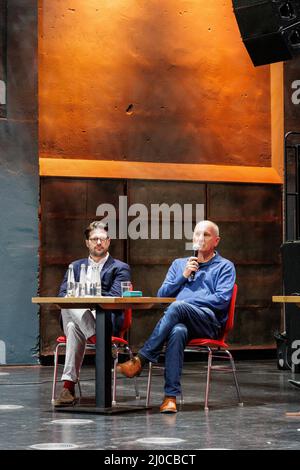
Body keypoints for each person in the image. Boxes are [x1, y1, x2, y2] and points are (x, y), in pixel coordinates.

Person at [117, 220, 236, 413]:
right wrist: (184, 275)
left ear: (216, 241)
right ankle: (170, 397)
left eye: (205, 235)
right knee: (177, 331)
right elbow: (163, 296)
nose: (200, 238)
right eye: (197, 234)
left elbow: (221, 300)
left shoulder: (225, 266)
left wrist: (189, 303)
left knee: (178, 306)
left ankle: (142, 359)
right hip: (182, 321)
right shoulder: (180, 264)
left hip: (208, 322)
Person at [55, 221, 131, 406]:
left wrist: (86, 298)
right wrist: (81, 300)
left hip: (104, 319)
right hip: (76, 315)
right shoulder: (75, 266)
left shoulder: (120, 268)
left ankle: (68, 387)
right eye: (94, 239)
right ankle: (102, 345)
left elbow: (114, 297)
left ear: (109, 241)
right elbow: (62, 295)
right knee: (70, 303)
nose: (98, 242)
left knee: (74, 326)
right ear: (87, 242)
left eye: (102, 239)